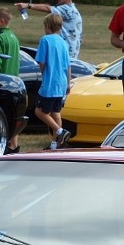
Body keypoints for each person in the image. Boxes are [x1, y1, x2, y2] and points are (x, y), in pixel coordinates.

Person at [34, 13, 71, 149]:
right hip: (61, 83)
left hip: (50, 82)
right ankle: (56, 144)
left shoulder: (45, 40)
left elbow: (42, 62)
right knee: (56, 112)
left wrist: (42, 73)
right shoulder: (63, 42)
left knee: (39, 111)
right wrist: (68, 83)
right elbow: (68, 65)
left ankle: (61, 131)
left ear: (47, 26)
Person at [15, 0, 82, 59]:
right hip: (70, 54)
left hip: (64, 54)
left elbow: (47, 8)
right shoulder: (73, 10)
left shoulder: (68, 10)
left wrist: (27, 5)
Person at [0, 7, 23, 153]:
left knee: (1, 115)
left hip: (2, 80)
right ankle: (14, 145)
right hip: (14, 79)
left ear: (1, 21)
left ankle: (5, 145)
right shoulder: (14, 38)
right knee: (12, 114)